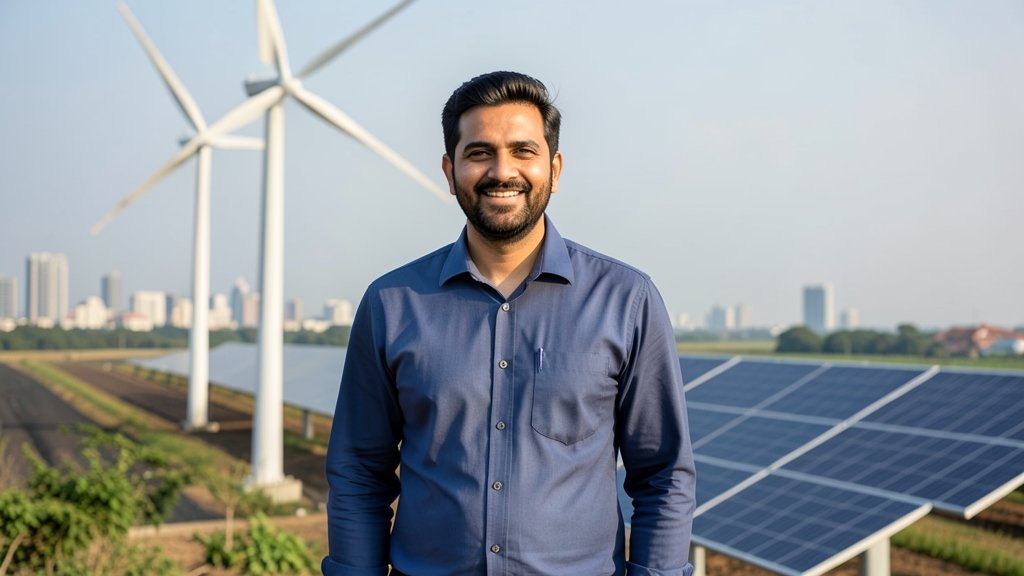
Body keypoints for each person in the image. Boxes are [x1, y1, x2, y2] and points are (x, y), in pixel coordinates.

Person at [322, 71, 696, 576]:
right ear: (449, 170)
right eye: (479, 153)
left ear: (554, 168)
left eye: (524, 151)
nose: (503, 171)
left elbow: (663, 474)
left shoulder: (626, 300)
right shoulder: (391, 303)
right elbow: (358, 471)